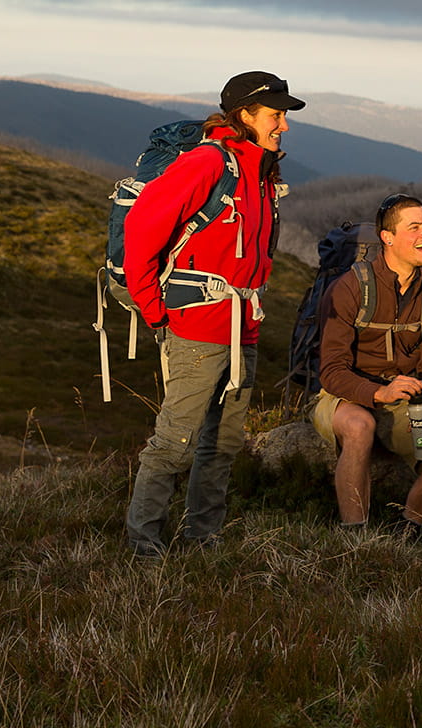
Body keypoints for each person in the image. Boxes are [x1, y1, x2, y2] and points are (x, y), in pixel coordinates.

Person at [121, 70, 304, 558]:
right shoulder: (208, 162)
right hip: (196, 327)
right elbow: (142, 223)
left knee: (222, 444)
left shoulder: (261, 170)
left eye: (284, 115)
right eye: (275, 114)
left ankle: (204, 540)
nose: (283, 125)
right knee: (175, 441)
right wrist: (152, 306)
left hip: (242, 328)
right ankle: (144, 546)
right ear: (244, 115)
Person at [313, 193, 422, 541]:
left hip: (404, 400)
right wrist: (378, 392)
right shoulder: (350, 288)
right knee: (359, 425)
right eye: (414, 227)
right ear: (388, 237)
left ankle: (409, 528)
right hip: (343, 396)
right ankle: (356, 536)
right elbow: (332, 371)